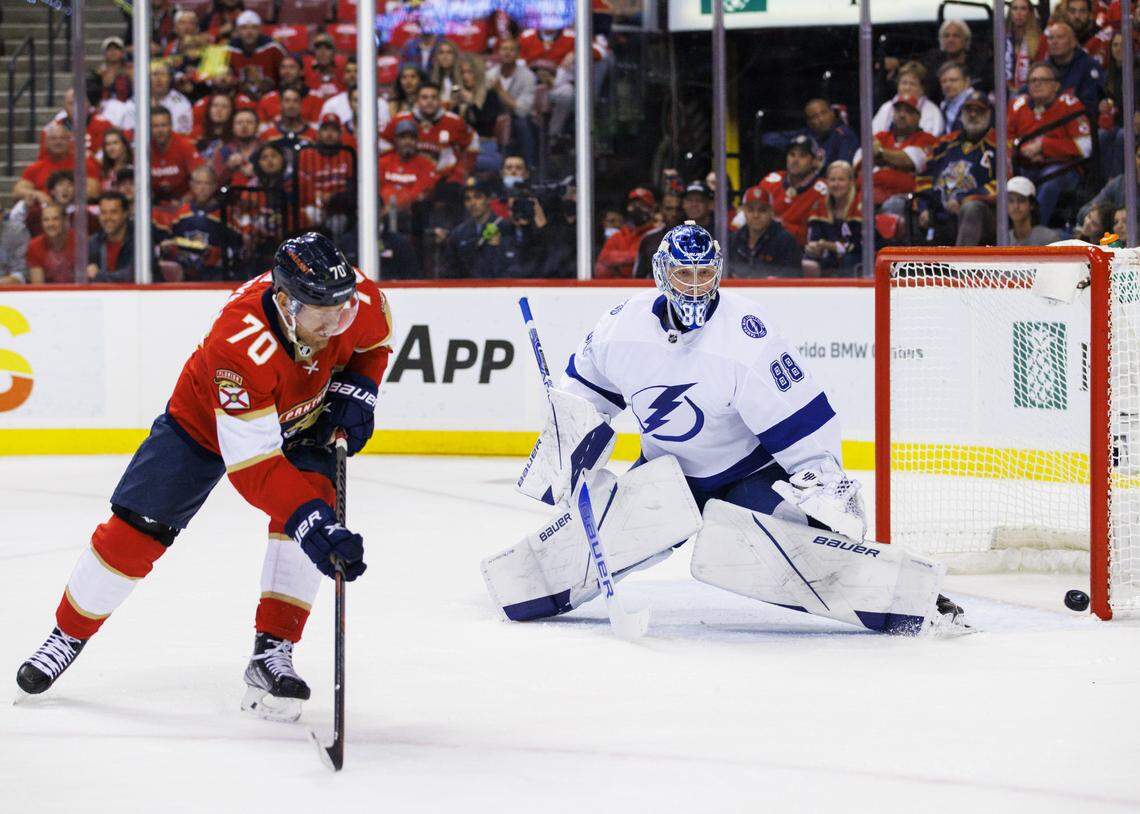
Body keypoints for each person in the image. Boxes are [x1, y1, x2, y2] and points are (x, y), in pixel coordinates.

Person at [490, 221, 967, 634]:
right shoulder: (620, 329)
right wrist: (565, 453)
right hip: (665, 474)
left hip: (746, 475)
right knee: (565, 565)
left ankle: (914, 600)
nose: (695, 285)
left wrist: (826, 508)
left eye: (704, 274)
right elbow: (581, 399)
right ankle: (526, 584)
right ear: (662, 274)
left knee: (801, 542)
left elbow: (801, 427)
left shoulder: (746, 336)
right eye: (684, 273)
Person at [16, 233, 390, 722]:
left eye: (343, 310)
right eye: (324, 314)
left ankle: (271, 650)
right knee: (138, 528)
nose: (337, 323)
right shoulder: (238, 343)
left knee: (308, 503)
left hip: (305, 418)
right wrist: (311, 522)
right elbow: (254, 468)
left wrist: (361, 386)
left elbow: (373, 343)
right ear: (285, 301)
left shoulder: (349, 298)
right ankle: (67, 634)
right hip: (204, 424)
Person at [1008, 61, 1093, 226]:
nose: (1037, 84)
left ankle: (1033, 233)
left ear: (1056, 85)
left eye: (1043, 80)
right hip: (1026, 166)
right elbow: (1006, 141)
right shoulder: (1019, 105)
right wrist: (1022, 151)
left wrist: (1045, 146)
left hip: (1063, 168)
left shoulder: (1069, 104)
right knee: (1011, 185)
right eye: (1033, 80)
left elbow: (1086, 146)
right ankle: (1009, 234)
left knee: (1048, 185)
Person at [916, 90, 999, 245]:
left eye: (978, 111)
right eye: (969, 110)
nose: (973, 115)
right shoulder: (945, 143)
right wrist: (924, 207)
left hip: (982, 216)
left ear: (989, 114)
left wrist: (964, 199)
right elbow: (924, 176)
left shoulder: (999, 144)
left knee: (971, 208)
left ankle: (962, 267)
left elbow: (1003, 184)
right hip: (941, 214)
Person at [161, 166, 240, 281]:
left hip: (215, 275)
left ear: (214, 186)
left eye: (207, 184)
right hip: (185, 275)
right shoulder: (181, 213)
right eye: (198, 183)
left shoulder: (224, 214)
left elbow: (237, 248)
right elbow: (169, 240)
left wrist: (215, 255)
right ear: (191, 185)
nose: (202, 188)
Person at [757, 134, 828, 246]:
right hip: (765, 248)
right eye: (792, 155)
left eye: (802, 156)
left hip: (801, 253)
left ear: (814, 161)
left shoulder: (823, 190)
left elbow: (815, 236)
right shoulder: (770, 181)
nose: (795, 160)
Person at [802, 161, 863, 278]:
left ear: (851, 182)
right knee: (808, 258)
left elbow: (859, 246)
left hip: (857, 257)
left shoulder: (860, 206)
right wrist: (814, 247)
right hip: (828, 256)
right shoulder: (819, 205)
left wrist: (829, 246)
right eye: (832, 180)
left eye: (841, 180)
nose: (836, 184)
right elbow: (814, 238)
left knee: (848, 260)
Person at [484, 37, 538, 168]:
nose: (507, 53)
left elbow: (522, 110)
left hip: (520, 118)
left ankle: (529, 167)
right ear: (498, 52)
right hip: (493, 117)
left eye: (511, 50)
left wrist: (500, 91)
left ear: (518, 54)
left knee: (522, 123)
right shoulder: (490, 74)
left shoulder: (528, 76)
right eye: (504, 49)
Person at [727, 185, 801, 278]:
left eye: (762, 210)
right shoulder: (733, 240)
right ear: (743, 212)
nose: (756, 215)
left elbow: (793, 276)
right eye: (750, 210)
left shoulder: (786, 241)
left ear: (771, 212)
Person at [442, 177, 506, 278]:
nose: (472, 203)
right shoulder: (458, 233)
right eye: (468, 199)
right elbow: (451, 270)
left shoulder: (504, 227)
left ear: (489, 199)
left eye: (478, 197)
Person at [1043, 19, 1104, 116]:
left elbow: (1090, 103)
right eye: (1050, 38)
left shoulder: (1089, 66)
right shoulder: (1042, 68)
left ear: (1073, 42)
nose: (1054, 42)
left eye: (1060, 37)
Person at [594, 187, 659, 278]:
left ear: (652, 209)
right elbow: (603, 261)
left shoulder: (657, 235)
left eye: (642, 205)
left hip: (645, 287)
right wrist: (635, 257)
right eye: (633, 205)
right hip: (618, 288)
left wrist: (618, 260)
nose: (636, 208)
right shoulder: (618, 236)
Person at [871, 61, 945, 136]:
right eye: (904, 83)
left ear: (922, 88)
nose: (907, 88)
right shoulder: (886, 107)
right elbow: (873, 135)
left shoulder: (932, 111)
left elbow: (933, 139)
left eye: (912, 84)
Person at [86, 191, 135, 282]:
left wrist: (99, 276)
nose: (107, 218)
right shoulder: (94, 242)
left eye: (113, 212)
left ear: (125, 214)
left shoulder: (139, 240)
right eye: (103, 212)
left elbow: (131, 275)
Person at [632, 191, 683, 278]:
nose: (674, 214)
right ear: (661, 210)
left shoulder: (696, 239)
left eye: (678, 209)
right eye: (669, 209)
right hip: (655, 289)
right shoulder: (649, 239)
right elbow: (638, 276)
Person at [25, 203, 76, 284]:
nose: (50, 224)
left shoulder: (79, 241)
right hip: (47, 295)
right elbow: (38, 287)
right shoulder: (34, 246)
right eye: (46, 220)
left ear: (65, 220)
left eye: (55, 219)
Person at [1006, 175, 1062, 246]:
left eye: (1021, 200)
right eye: (1011, 201)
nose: (1016, 206)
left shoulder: (1049, 238)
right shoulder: (1003, 239)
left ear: (1032, 205)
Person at [1006, 0, 1047, 92]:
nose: (1018, 13)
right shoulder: (1002, 40)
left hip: (1030, 92)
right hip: (1005, 92)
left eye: (1023, 9)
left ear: (1030, 13)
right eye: (1015, 8)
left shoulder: (1041, 40)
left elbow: (1042, 71)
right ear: (1010, 13)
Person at [937, 62, 974, 133]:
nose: (947, 85)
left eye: (953, 80)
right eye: (943, 81)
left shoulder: (976, 102)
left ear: (967, 82)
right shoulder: (944, 106)